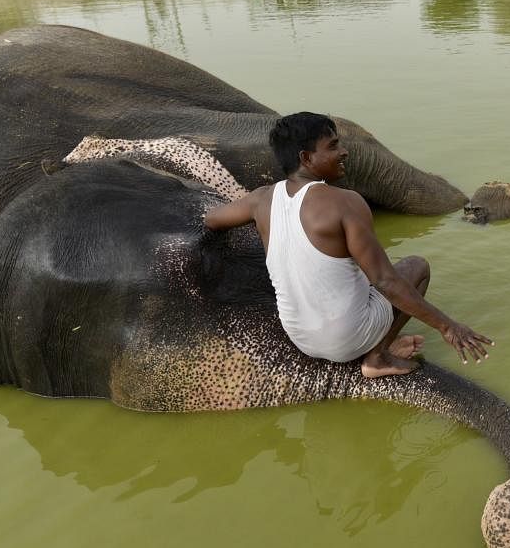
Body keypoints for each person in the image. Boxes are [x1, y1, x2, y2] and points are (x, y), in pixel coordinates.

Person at [204, 112, 493, 379]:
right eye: (332, 146)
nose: (344, 152)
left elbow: (212, 219)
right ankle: (377, 357)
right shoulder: (346, 202)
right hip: (346, 340)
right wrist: (448, 326)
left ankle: (377, 341)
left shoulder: (260, 200)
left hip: (300, 338)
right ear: (306, 157)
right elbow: (385, 281)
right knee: (416, 267)